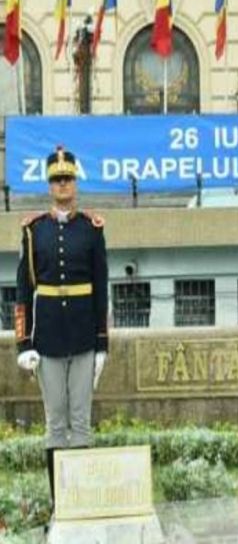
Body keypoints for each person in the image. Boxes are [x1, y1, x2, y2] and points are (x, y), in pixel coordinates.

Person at [15, 146, 109, 509]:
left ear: (76, 182)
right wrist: (24, 344)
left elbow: (101, 288)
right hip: (49, 338)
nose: (63, 185)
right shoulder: (33, 230)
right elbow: (23, 290)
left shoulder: (92, 228)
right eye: (56, 180)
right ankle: (61, 505)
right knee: (55, 422)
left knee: (81, 422)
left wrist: (103, 344)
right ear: (49, 185)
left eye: (67, 178)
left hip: (84, 336)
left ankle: (81, 502)